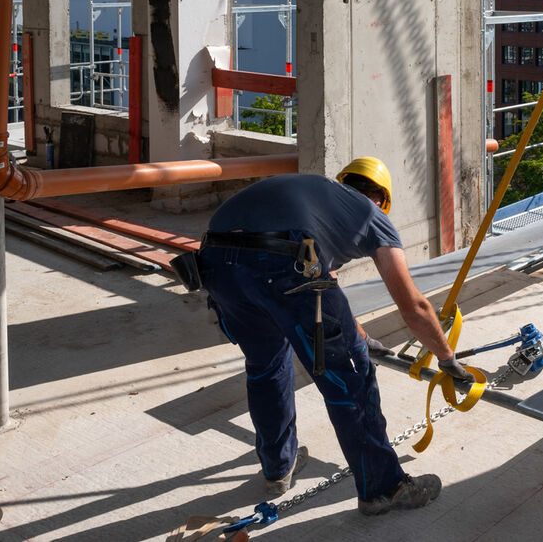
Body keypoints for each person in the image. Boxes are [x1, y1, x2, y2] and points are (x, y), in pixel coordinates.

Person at [197, 157, 473, 515]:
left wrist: (358, 336)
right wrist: (448, 360)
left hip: (216, 263)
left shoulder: (317, 196)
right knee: (350, 377)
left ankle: (278, 467)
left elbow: (329, 293)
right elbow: (415, 308)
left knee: (265, 366)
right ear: (381, 200)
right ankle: (384, 488)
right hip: (282, 260)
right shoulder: (373, 217)